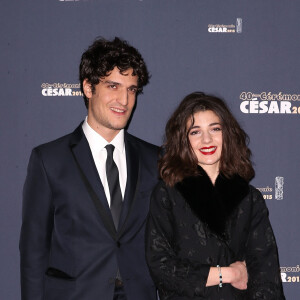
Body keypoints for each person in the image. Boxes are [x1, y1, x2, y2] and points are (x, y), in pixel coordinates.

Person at [20, 37, 159, 300]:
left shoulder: (154, 159)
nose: (124, 99)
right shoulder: (49, 160)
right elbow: (33, 252)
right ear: (88, 87)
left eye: (131, 89)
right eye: (113, 86)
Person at [146, 92, 285, 299]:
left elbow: (266, 274)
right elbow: (161, 267)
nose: (207, 140)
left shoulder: (250, 198)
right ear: (183, 140)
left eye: (215, 129)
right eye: (195, 132)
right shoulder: (167, 194)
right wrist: (228, 274)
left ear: (227, 134)